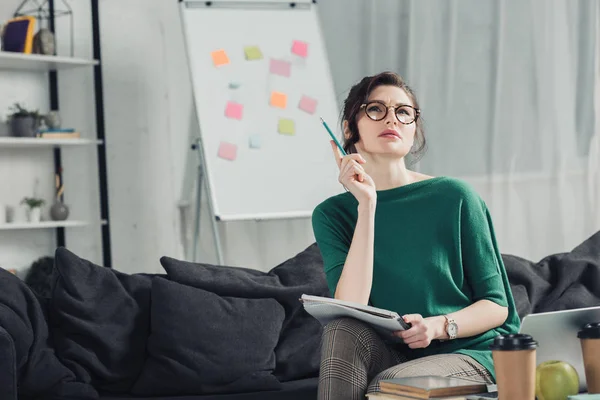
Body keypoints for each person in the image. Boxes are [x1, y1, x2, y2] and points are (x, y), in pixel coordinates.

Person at [311, 71, 520, 400]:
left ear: (413, 128)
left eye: (403, 112)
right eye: (376, 109)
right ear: (350, 128)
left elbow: (497, 306)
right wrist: (367, 206)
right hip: (393, 354)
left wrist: (438, 326)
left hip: (469, 352)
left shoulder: (454, 196)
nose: (391, 118)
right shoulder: (332, 214)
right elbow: (350, 307)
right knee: (341, 328)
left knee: (391, 386)